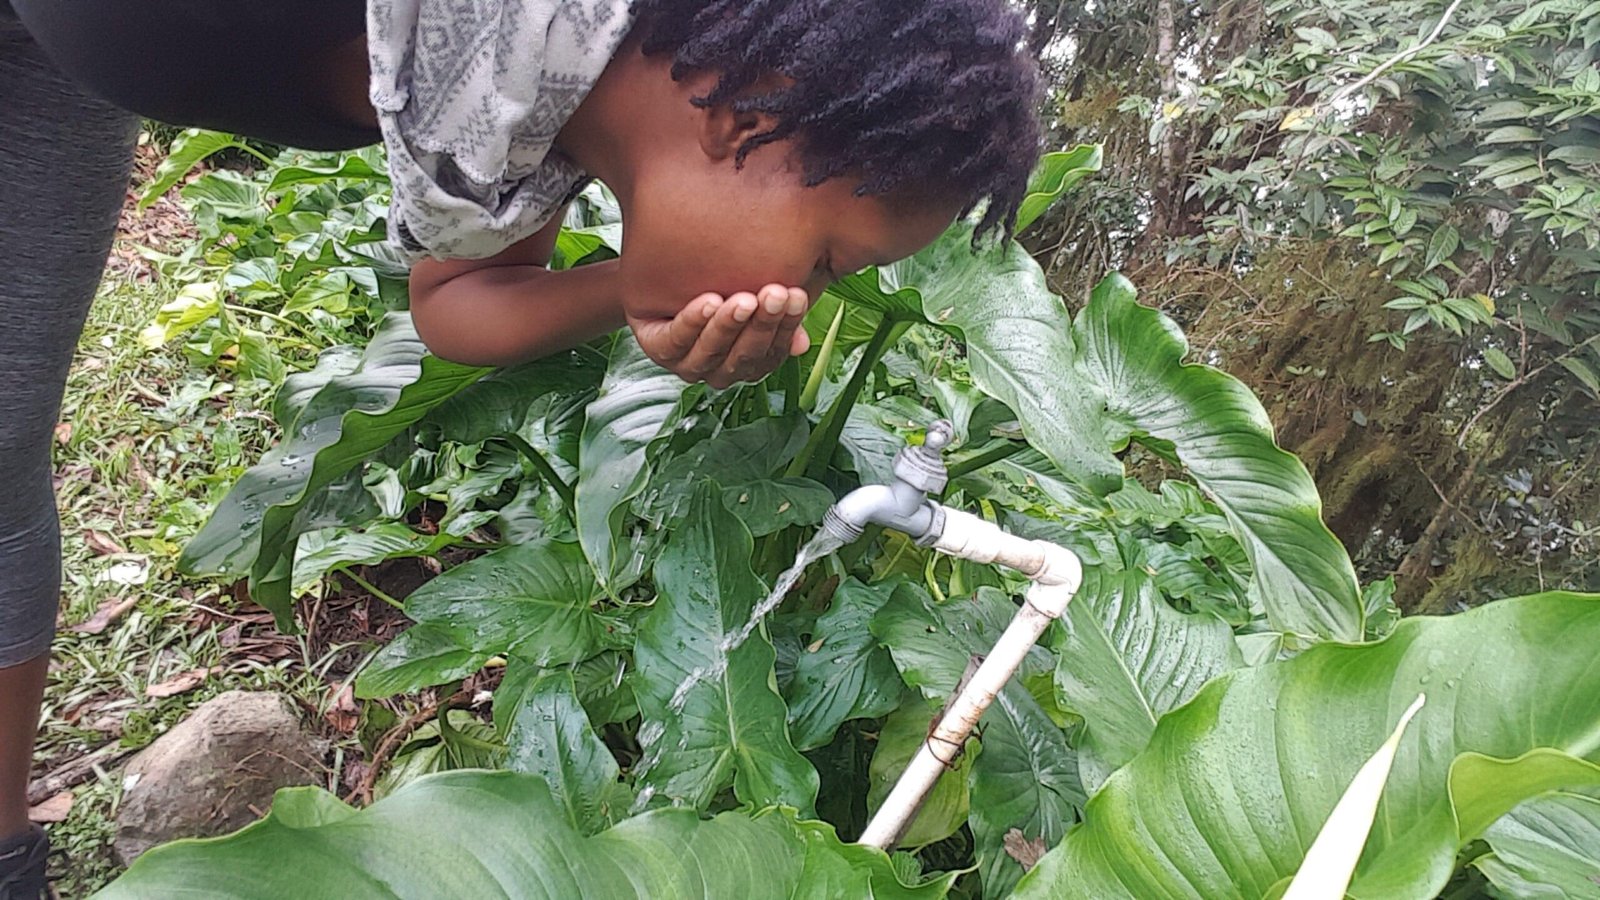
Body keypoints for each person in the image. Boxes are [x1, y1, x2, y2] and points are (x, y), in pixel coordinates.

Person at [0, 0, 1042, 892]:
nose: (804, 308)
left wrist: (627, 296)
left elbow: (453, 302)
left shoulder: (554, 116)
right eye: (823, 260)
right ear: (747, 112)